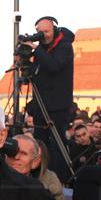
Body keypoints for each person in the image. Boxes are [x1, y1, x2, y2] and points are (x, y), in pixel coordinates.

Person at [23, 16, 75, 182]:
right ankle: (41, 177)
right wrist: (25, 62)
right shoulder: (42, 50)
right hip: (41, 104)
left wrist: (36, 49)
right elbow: (39, 71)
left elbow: (54, 66)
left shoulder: (65, 46)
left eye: (46, 31)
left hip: (58, 105)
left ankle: (61, 179)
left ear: (55, 30)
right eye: (39, 32)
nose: (43, 35)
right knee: (40, 144)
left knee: (57, 145)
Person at [5, 134, 67, 200]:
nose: (16, 157)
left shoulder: (41, 191)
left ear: (35, 161)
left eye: (24, 153)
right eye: (13, 152)